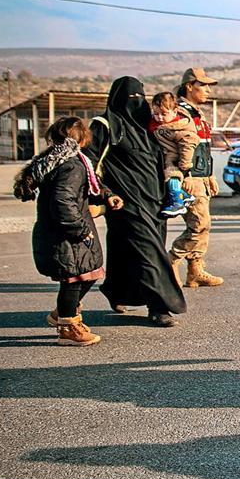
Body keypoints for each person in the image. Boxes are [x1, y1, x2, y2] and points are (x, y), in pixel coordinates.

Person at [13, 116, 123, 346]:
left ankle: (64, 311)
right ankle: (68, 325)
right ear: (82, 139)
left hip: (59, 232)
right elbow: (63, 200)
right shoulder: (71, 164)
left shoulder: (60, 159)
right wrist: (80, 230)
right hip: (67, 235)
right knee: (74, 278)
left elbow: (90, 184)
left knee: (87, 273)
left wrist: (106, 195)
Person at [87, 77, 187, 327]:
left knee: (126, 252)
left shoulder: (150, 127)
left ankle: (118, 292)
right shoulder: (104, 125)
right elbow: (88, 162)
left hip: (155, 202)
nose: (137, 103)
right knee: (149, 253)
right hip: (125, 203)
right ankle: (160, 306)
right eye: (131, 98)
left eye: (141, 97)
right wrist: (106, 193)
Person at [168, 67, 223, 288]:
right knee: (199, 224)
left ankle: (195, 270)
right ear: (189, 87)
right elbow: (179, 147)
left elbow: (202, 147)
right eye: (203, 85)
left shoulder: (195, 112)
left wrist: (209, 175)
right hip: (190, 178)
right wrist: (187, 175)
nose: (208, 90)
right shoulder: (180, 112)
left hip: (201, 176)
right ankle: (171, 260)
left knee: (204, 226)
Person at [150, 91, 198, 219]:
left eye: (164, 114)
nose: (159, 118)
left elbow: (188, 144)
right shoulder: (156, 124)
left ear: (175, 111)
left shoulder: (179, 127)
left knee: (171, 175)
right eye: (156, 114)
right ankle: (185, 196)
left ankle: (177, 202)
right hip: (162, 156)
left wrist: (185, 165)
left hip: (174, 158)